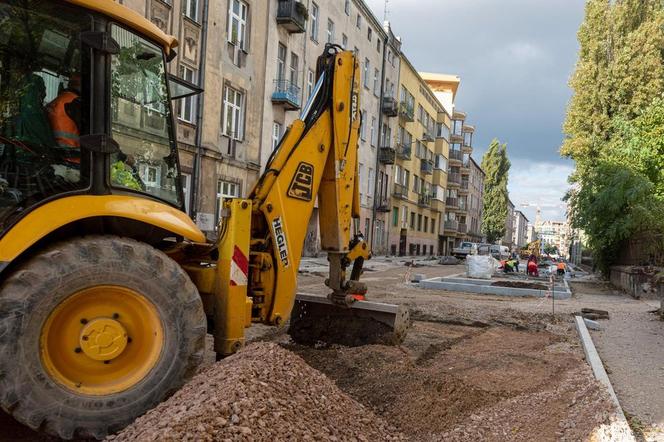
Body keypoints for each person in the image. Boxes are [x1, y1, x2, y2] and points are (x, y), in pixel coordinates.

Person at [47, 74, 81, 165]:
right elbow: (94, 136)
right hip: (73, 161)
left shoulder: (57, 101)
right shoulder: (76, 103)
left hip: (56, 158)